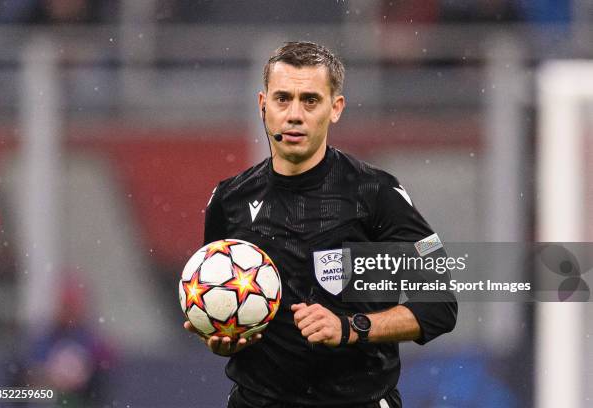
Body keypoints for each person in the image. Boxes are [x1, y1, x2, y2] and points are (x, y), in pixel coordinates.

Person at [184, 41, 457, 408]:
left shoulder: (378, 193)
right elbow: (224, 301)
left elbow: (439, 305)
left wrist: (350, 328)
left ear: (336, 108)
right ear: (263, 105)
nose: (294, 114)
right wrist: (223, 335)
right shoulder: (227, 199)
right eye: (283, 99)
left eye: (310, 100)